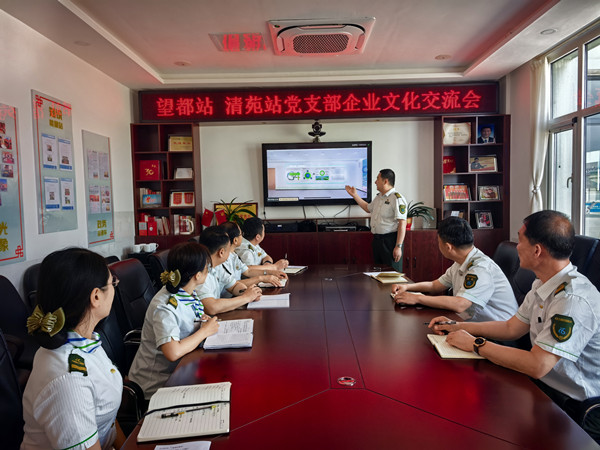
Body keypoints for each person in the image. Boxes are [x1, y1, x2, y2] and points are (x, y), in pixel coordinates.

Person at [429, 210, 600, 443]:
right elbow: (511, 328)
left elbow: (538, 365)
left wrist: (475, 344)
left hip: (577, 408)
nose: (516, 246)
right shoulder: (543, 284)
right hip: (545, 390)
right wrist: (457, 326)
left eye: (520, 240)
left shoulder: (572, 299)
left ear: (537, 250)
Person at [22, 248, 124, 450]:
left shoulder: (83, 341)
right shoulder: (69, 380)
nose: (115, 287)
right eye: (112, 282)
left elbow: (106, 417)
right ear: (96, 296)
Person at [128, 242, 220, 399]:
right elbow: (173, 352)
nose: (208, 272)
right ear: (197, 275)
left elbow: (186, 321)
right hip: (157, 385)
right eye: (207, 268)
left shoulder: (186, 292)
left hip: (182, 369)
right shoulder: (164, 306)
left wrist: (201, 323)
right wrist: (204, 331)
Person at [392, 217, 517, 321]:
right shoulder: (462, 261)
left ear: (448, 247)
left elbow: (460, 304)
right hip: (474, 325)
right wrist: (407, 287)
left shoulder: (480, 269)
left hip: (499, 333)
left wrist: (417, 298)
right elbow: (435, 285)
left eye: (438, 242)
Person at [345, 168, 407, 271]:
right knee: (378, 273)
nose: (375, 182)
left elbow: (402, 223)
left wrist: (398, 246)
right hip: (377, 241)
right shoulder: (379, 197)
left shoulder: (397, 198)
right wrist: (354, 195)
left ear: (385, 181)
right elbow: (367, 208)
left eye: (377, 179)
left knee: (391, 274)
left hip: (390, 242)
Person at [198, 226, 263, 314]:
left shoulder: (217, 266)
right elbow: (211, 307)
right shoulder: (199, 270)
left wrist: (248, 292)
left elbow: (233, 286)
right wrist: (246, 298)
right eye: (229, 249)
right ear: (221, 252)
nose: (231, 253)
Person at [220, 221, 288, 290]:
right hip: (232, 294)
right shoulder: (223, 259)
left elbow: (248, 271)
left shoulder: (233, 255)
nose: (243, 237)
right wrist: (262, 278)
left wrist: (271, 272)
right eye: (241, 234)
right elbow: (232, 285)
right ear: (235, 240)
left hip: (238, 291)